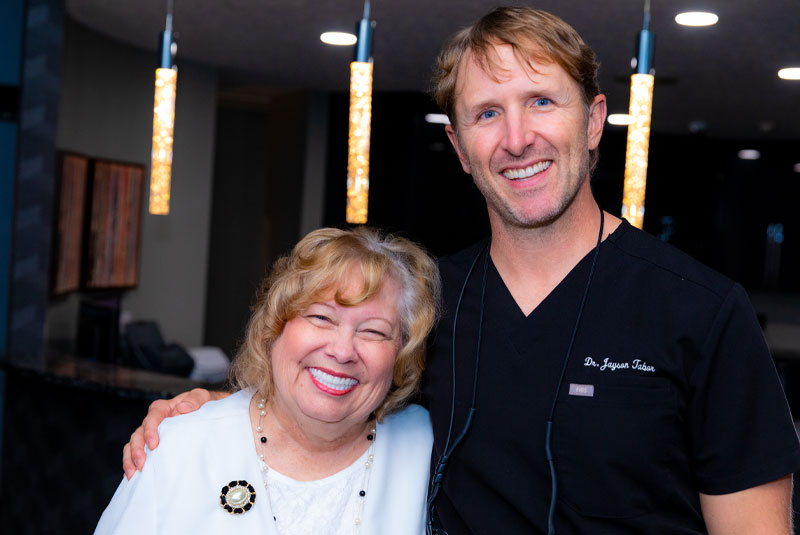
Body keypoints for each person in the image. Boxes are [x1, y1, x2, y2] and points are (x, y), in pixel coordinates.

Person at [123, 7, 800, 534]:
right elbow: (331, 401)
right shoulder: (423, 304)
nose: (516, 138)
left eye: (542, 101)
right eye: (486, 113)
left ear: (594, 120)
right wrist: (214, 417)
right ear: (459, 146)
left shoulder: (702, 312)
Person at [97, 227, 441, 534]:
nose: (342, 351)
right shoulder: (178, 446)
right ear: (275, 328)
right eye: (321, 318)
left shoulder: (428, 447)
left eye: (373, 332)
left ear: (401, 355)